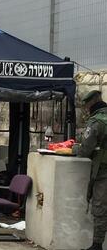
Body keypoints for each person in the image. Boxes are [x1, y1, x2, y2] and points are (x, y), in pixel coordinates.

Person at [74, 90, 107, 250]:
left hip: (103, 171)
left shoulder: (97, 122)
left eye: (86, 105)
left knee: (100, 208)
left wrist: (73, 148)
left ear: (90, 103)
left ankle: (97, 245)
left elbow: (84, 150)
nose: (86, 109)